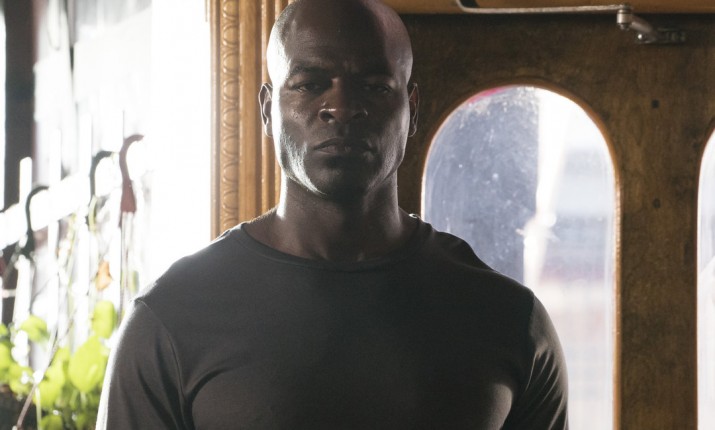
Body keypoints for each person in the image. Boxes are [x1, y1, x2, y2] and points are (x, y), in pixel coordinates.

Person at [96, 0, 569, 428]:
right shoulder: (173, 319)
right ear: (268, 111)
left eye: (374, 86)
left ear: (412, 109)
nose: (341, 108)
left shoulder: (507, 320)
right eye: (310, 84)